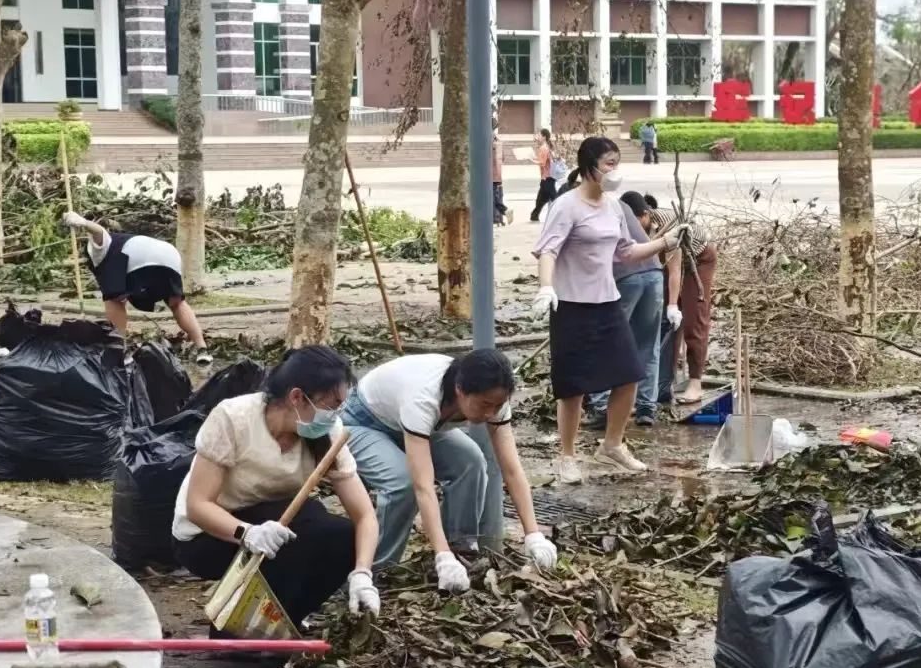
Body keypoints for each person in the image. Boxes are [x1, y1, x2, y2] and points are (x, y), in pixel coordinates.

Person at [172, 346, 381, 634]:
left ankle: (283, 622)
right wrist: (248, 534)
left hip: (274, 522)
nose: (334, 415)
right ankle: (235, 633)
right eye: (331, 405)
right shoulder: (234, 418)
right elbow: (198, 506)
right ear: (297, 397)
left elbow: (364, 516)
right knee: (295, 541)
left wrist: (362, 574)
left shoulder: (327, 433)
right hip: (211, 535)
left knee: (339, 535)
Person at [531, 137, 686, 484]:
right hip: (571, 304)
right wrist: (546, 287)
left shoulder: (615, 207)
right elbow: (548, 251)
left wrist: (663, 242)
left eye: (617, 162)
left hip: (607, 302)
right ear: (589, 166)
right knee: (572, 386)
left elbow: (626, 253)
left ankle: (612, 445)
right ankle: (567, 456)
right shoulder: (566, 206)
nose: (614, 170)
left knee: (629, 373)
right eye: (609, 163)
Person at [340, 349, 558, 590]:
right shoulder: (423, 398)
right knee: (403, 482)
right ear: (460, 390)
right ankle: (374, 572)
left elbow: (512, 470)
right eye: (485, 404)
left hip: (411, 424)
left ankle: (461, 549)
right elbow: (423, 486)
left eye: (497, 406)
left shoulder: (495, 400)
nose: (490, 413)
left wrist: (533, 534)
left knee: (471, 461)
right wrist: (441, 555)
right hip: (362, 421)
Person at [582, 190, 680, 429]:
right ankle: (646, 407)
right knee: (647, 343)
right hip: (653, 274)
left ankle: (601, 406)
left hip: (626, 277)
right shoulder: (620, 206)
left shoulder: (588, 209)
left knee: (606, 341)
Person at [63, 211, 212, 364]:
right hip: (169, 255)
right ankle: (202, 349)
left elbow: (98, 231)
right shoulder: (129, 240)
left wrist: (83, 222)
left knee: (113, 299)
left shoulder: (98, 247)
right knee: (177, 303)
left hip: (141, 260)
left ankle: (119, 350)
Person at [638, 194, 716, 404]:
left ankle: (695, 384)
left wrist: (673, 304)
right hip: (667, 262)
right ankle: (664, 383)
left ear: (645, 214)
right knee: (665, 322)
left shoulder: (669, 225)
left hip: (697, 260)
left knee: (693, 318)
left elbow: (675, 270)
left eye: (636, 221)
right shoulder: (630, 223)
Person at [529, 128, 558, 222]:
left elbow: (542, 163)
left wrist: (531, 160)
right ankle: (534, 215)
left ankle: (563, 213)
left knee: (555, 198)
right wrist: (533, 157)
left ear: (544, 137)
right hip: (548, 177)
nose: (538, 137)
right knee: (541, 198)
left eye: (539, 135)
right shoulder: (547, 146)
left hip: (547, 177)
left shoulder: (543, 148)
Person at [492, 125, 513, 226]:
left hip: (488, 175)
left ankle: (504, 212)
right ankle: (502, 214)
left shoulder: (486, 140)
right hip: (496, 174)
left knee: (492, 198)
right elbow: (502, 158)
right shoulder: (497, 141)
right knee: (494, 197)